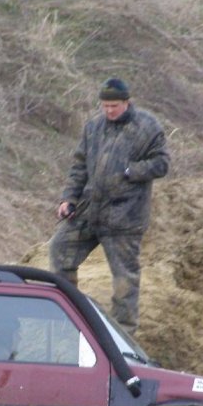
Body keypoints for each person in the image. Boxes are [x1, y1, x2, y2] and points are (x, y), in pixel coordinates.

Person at [49, 78, 170, 334]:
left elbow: (162, 164)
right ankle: (69, 316)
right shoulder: (93, 127)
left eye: (114, 106)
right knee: (60, 250)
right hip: (89, 209)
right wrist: (68, 198)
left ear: (127, 102)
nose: (109, 111)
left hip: (125, 216)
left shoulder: (147, 127)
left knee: (125, 278)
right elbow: (79, 166)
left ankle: (123, 334)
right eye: (105, 106)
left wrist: (129, 171)